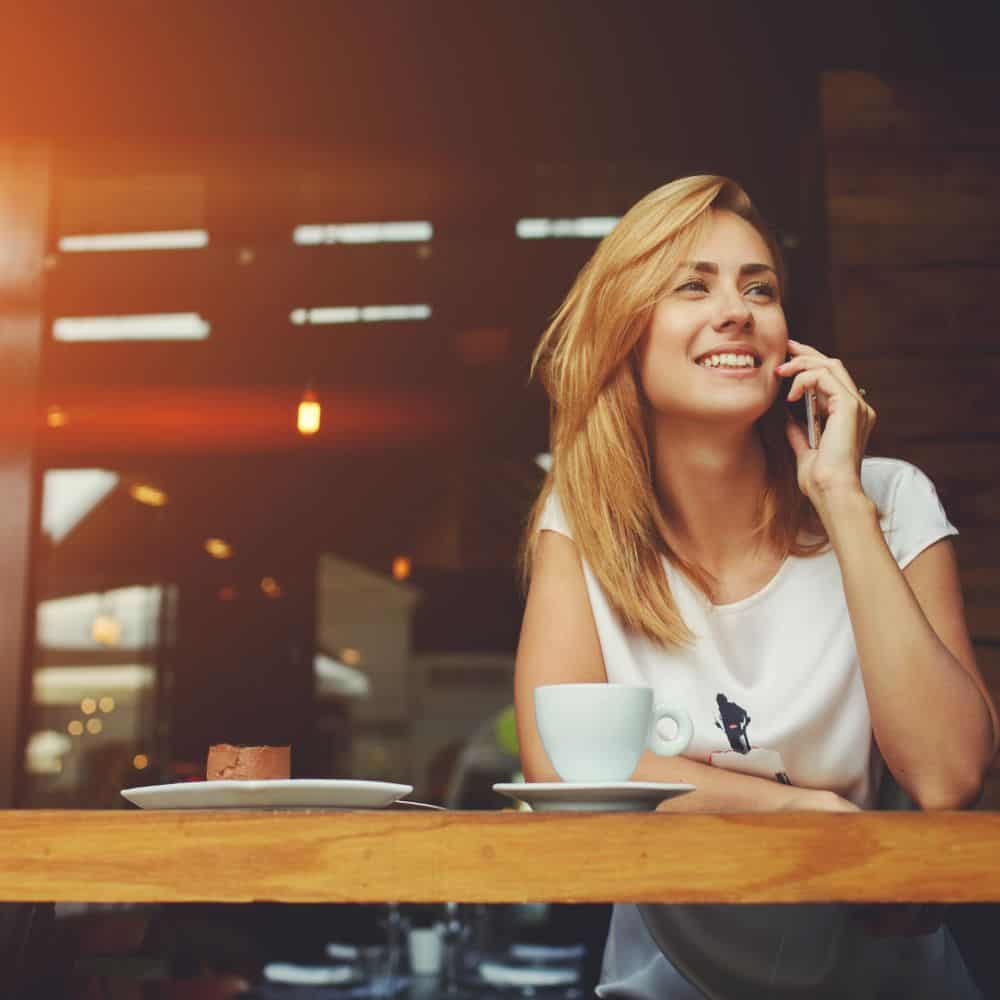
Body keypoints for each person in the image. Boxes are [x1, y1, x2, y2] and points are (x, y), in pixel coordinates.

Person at [513, 175, 1000, 998]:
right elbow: (564, 768)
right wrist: (800, 815)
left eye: (760, 289)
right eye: (691, 286)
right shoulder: (584, 522)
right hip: (669, 985)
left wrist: (842, 502)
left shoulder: (889, 495)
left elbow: (950, 775)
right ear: (626, 332)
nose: (737, 311)